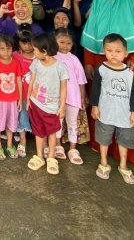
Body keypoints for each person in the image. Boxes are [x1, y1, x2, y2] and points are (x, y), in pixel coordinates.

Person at [81, 0, 134, 166]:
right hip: (101, 60)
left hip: (128, 62)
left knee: (128, 106)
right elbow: (90, 38)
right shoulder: (97, 4)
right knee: (102, 103)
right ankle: (103, 146)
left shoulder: (132, 3)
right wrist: (88, 61)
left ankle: (130, 152)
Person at [90, 33, 134, 185]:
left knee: (124, 140)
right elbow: (95, 90)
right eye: (109, 51)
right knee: (104, 139)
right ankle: (104, 162)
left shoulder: (129, 72)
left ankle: (123, 165)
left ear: (125, 53)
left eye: (118, 51)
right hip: (105, 113)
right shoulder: (101, 69)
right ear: (104, 51)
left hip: (124, 115)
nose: (113, 54)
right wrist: (94, 106)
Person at [26, 33, 68, 176]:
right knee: (38, 132)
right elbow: (32, 81)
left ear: (44, 51)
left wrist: (62, 106)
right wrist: (28, 99)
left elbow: (63, 88)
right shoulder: (36, 63)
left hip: (51, 108)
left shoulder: (60, 67)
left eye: (35, 50)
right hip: (35, 104)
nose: (33, 52)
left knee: (51, 132)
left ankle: (51, 157)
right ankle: (40, 156)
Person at [53, 28, 88, 165]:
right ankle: (58, 145)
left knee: (72, 122)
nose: (65, 46)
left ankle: (73, 149)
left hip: (73, 96)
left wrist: (82, 97)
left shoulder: (74, 59)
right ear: (54, 41)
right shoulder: (52, 57)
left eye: (68, 43)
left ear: (72, 44)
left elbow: (81, 80)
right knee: (57, 122)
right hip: (57, 97)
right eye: (61, 42)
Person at [0, 34, 22, 160]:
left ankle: (9, 144)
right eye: (2, 48)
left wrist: (19, 98)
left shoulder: (16, 62)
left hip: (13, 100)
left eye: (8, 48)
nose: (6, 51)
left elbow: (18, 80)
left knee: (12, 122)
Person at [13, 30, 36, 158]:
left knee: (38, 117)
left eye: (30, 43)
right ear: (19, 43)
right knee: (22, 115)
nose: (27, 46)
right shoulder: (15, 55)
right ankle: (23, 140)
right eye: (24, 43)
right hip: (20, 94)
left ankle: (43, 142)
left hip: (36, 95)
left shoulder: (38, 56)